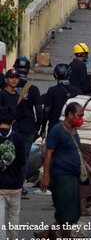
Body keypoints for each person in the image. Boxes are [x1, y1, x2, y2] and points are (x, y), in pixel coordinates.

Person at [59, 77, 91, 217]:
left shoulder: (69, 102)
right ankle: (82, 207)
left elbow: (61, 122)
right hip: (90, 145)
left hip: (70, 142)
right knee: (86, 176)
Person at [40, 102, 85, 239]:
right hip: (62, 176)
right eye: (79, 115)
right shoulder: (57, 130)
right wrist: (46, 176)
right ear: (70, 114)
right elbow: (48, 153)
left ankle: (47, 234)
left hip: (73, 176)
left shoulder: (73, 130)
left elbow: (76, 151)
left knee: (73, 212)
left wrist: (88, 169)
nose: (81, 119)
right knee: (66, 214)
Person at [1, 64, 42, 196]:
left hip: (22, 130)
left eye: (16, 77)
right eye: (11, 77)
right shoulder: (4, 94)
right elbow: (39, 110)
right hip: (13, 130)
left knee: (20, 158)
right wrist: (38, 126)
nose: (14, 80)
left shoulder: (16, 94)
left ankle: (18, 184)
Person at [0, 106, 25, 240]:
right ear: (13, 121)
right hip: (15, 185)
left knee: (0, 220)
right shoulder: (18, 138)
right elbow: (21, 162)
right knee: (14, 216)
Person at [42, 64, 80, 134]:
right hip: (71, 128)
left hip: (54, 127)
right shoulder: (77, 91)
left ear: (55, 75)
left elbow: (46, 111)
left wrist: (43, 128)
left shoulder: (52, 91)